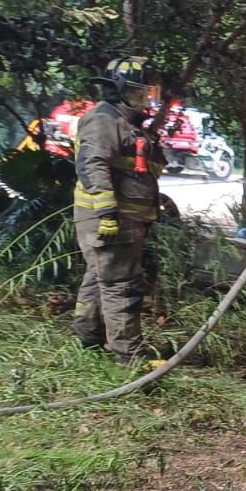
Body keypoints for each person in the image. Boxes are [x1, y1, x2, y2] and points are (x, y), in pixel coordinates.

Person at [71, 56, 165, 364]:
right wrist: (107, 214)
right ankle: (128, 356)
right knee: (121, 286)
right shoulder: (103, 119)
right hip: (111, 220)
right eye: (140, 92)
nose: (146, 99)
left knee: (100, 279)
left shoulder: (128, 123)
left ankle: (87, 338)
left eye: (149, 93)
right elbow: (91, 164)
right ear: (121, 89)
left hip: (126, 219)